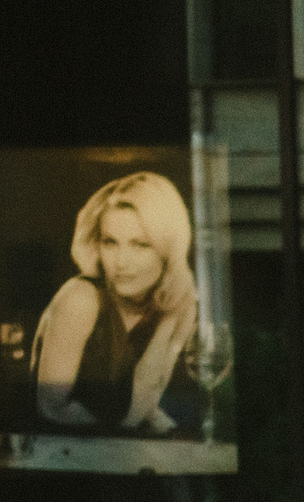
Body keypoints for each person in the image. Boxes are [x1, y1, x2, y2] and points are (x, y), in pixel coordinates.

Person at [29, 172, 202, 435]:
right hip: (49, 454)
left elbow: (144, 407)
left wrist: (181, 441)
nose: (121, 262)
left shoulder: (174, 307)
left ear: (169, 250)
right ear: (97, 244)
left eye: (140, 245)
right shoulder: (81, 299)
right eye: (110, 242)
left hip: (115, 453)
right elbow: (52, 410)